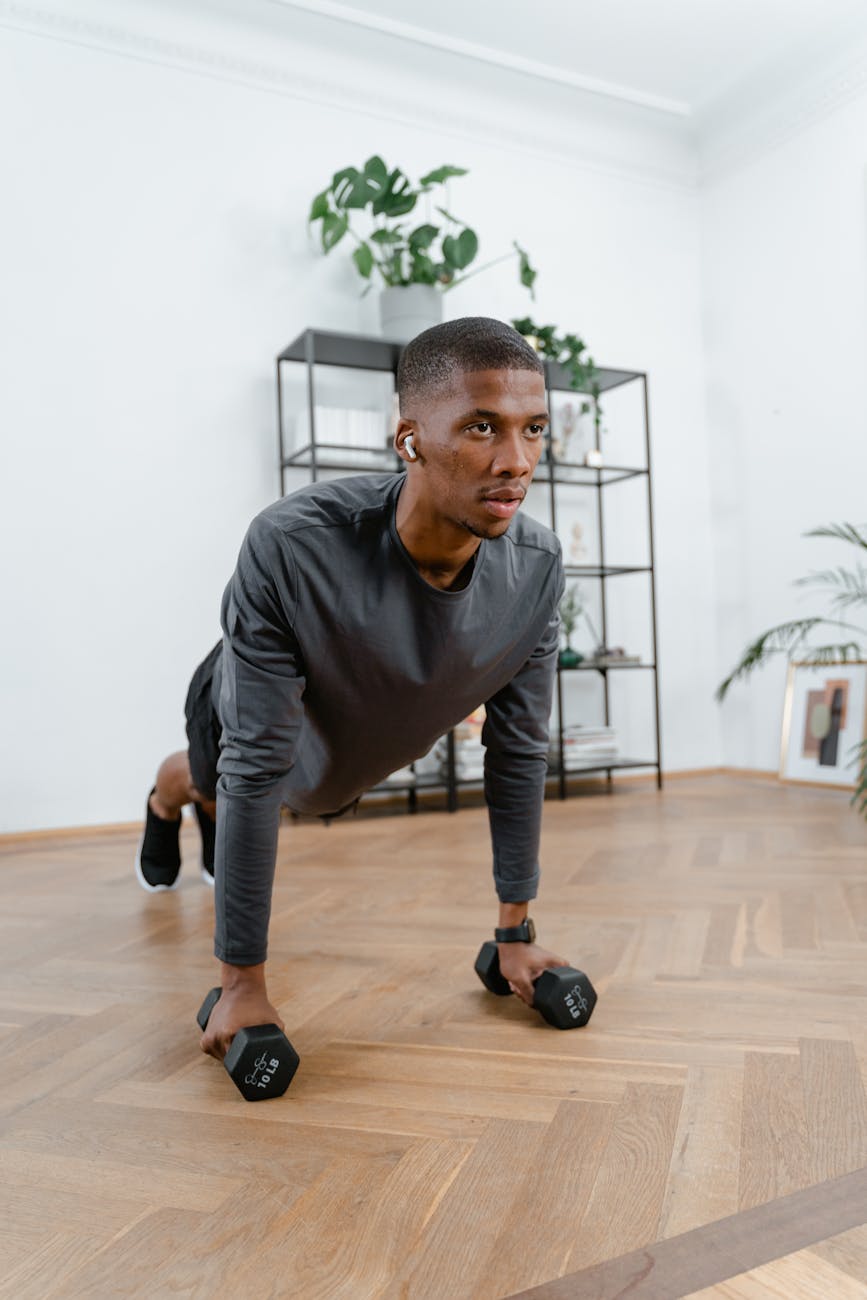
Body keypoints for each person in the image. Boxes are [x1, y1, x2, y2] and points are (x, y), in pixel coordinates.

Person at [136, 316, 568, 1062]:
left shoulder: (536, 568)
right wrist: (240, 982)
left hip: (350, 748)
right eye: (479, 428)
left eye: (533, 430)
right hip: (248, 713)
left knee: (302, 790)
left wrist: (513, 936)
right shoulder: (291, 545)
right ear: (408, 441)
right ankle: (165, 801)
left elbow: (520, 751)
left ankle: (201, 805)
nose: (514, 460)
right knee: (218, 780)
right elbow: (256, 759)